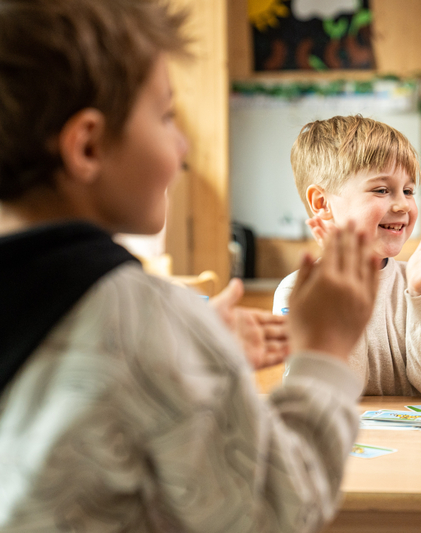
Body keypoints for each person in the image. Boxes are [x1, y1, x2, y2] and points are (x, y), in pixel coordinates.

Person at [0, 1, 380, 531]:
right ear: (86, 146)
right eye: (166, 116)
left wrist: (195, 354)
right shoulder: (144, 318)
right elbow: (277, 512)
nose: (181, 148)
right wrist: (324, 353)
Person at [272, 115, 421, 400]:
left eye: (408, 190)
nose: (402, 204)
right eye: (382, 190)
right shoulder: (299, 292)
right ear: (322, 203)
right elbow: (335, 393)